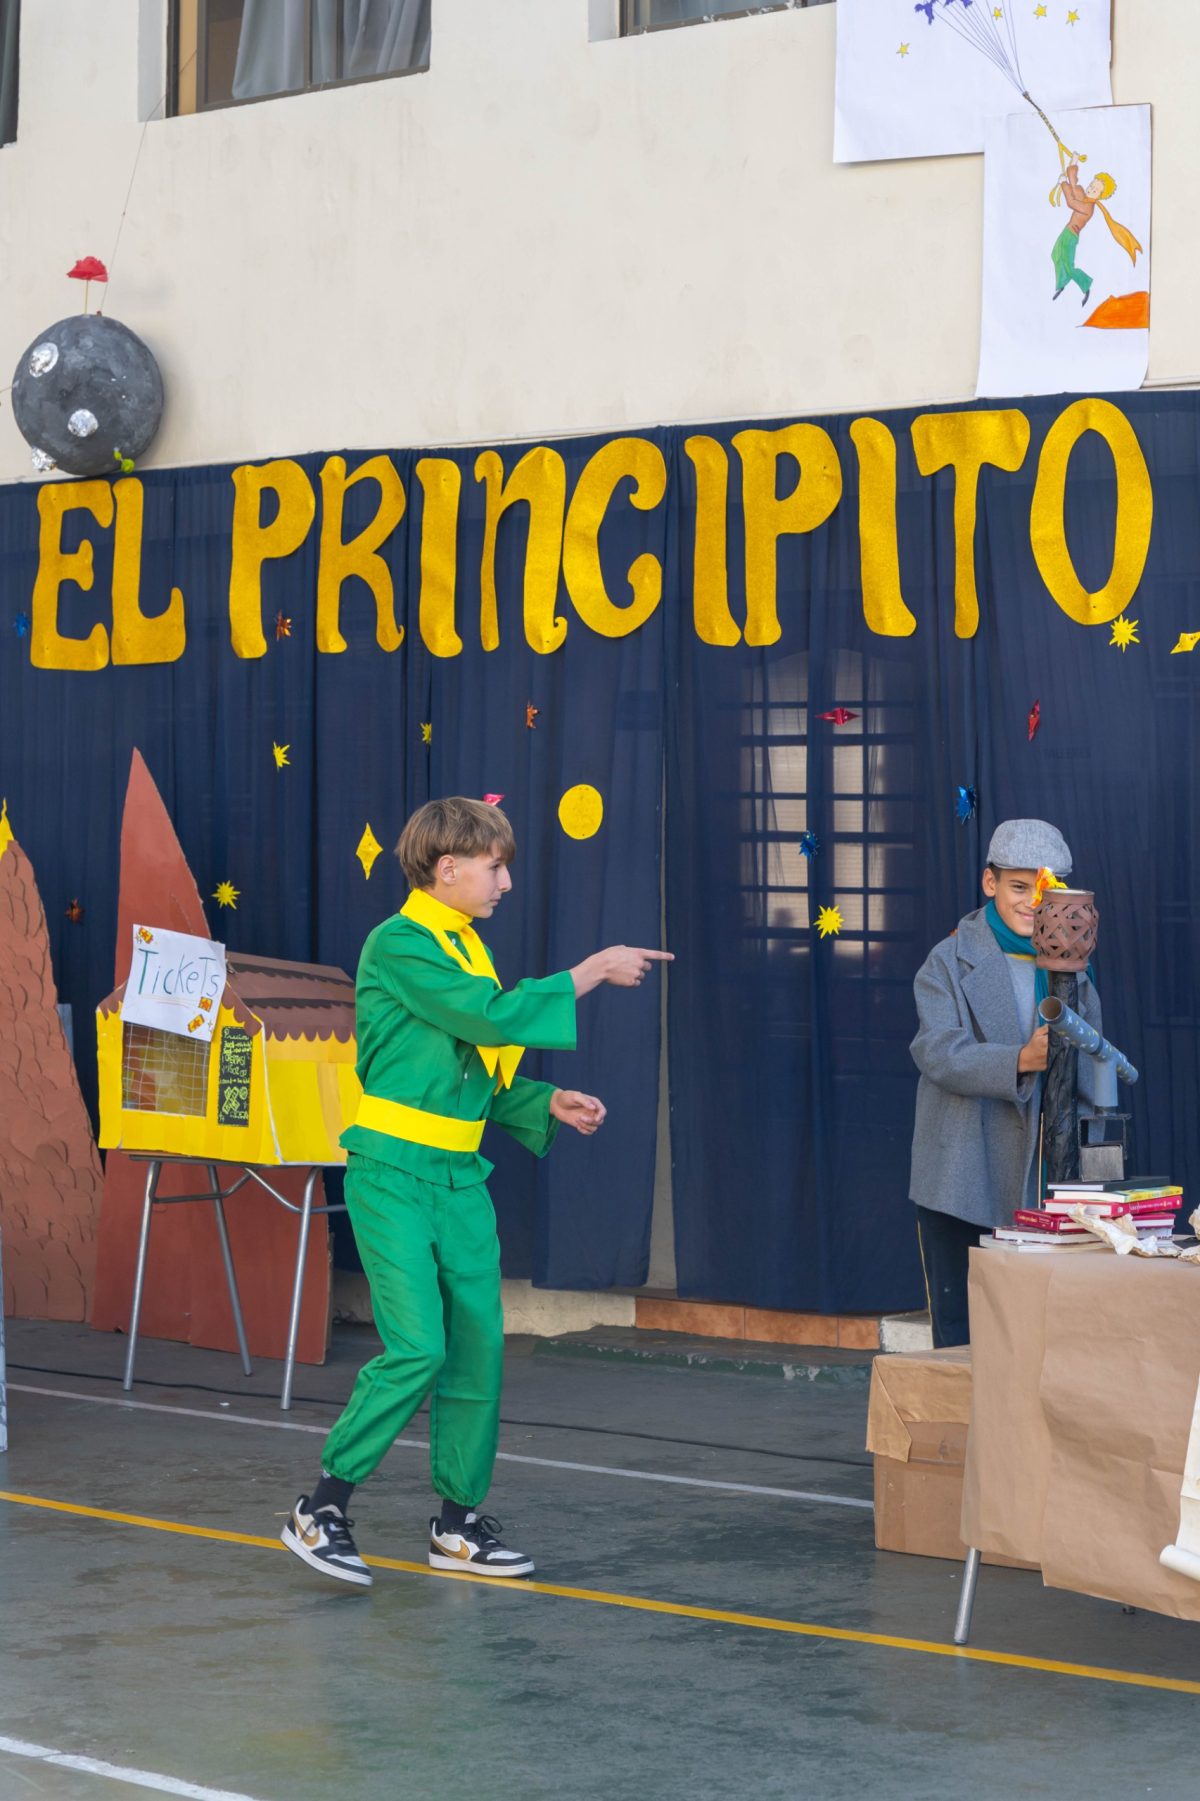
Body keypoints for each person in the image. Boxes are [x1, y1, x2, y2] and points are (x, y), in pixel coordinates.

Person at [281, 796, 671, 1587]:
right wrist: (591, 970)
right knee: (419, 1347)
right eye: (496, 867)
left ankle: (456, 1525)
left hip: (460, 1178)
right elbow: (487, 1019)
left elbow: (467, 1071)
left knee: (477, 1350)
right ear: (447, 866)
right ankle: (320, 1508)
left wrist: (544, 1102)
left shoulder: (469, 947)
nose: (506, 883)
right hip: (392, 1173)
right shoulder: (399, 943)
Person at [908, 819, 1109, 1347]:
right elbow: (935, 1052)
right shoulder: (948, 960)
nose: (1030, 902)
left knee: (1039, 1337)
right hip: (962, 1177)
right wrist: (1020, 1058)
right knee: (963, 1337)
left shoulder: (1073, 965)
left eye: (1043, 889)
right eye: (1018, 886)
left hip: (1046, 1180)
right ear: (989, 882)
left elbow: (1094, 1071)